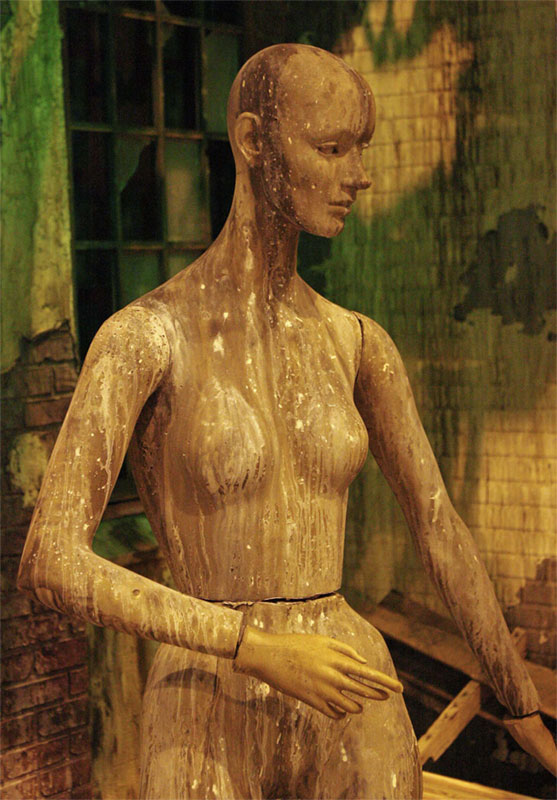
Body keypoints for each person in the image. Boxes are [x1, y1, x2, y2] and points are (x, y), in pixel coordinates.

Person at [18, 44, 555, 799]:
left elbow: (438, 527)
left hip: (347, 684)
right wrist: (248, 643)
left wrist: (518, 698)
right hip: (209, 686)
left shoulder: (356, 342)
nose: (358, 176)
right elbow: (50, 560)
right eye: (331, 149)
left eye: (359, 149)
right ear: (252, 140)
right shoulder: (147, 337)